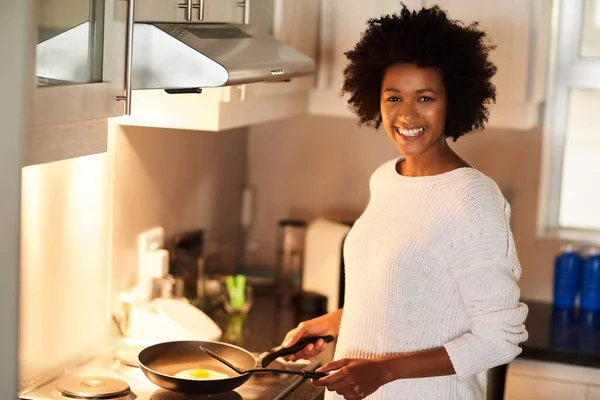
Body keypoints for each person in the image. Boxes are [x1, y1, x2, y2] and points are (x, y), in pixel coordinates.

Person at [280, 4, 529, 400]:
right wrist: (338, 322)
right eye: (393, 97)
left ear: (454, 101)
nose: (406, 114)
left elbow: (500, 338)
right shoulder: (386, 178)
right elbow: (410, 301)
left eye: (425, 98)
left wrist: (384, 371)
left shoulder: (473, 199)